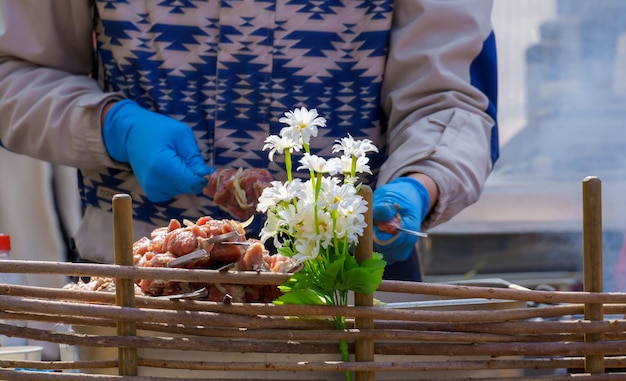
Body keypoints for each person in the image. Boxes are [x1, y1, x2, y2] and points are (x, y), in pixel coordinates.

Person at [0, 0, 498, 281]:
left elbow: (448, 98)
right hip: (137, 289)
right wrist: (110, 126)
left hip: (345, 292)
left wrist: (418, 183)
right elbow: (14, 71)